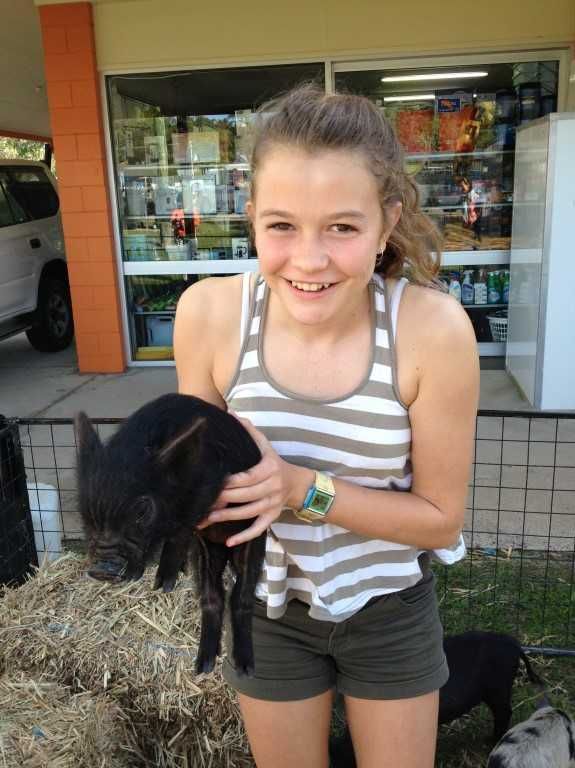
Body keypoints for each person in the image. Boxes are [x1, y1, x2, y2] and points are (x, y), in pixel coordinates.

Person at [174, 84, 479, 768]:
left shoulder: (431, 331)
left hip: (389, 607)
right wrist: (177, 498)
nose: (309, 260)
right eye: (281, 226)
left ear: (385, 221)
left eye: (342, 227)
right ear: (251, 218)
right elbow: (197, 482)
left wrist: (296, 488)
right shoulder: (210, 315)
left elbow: (440, 522)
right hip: (267, 609)